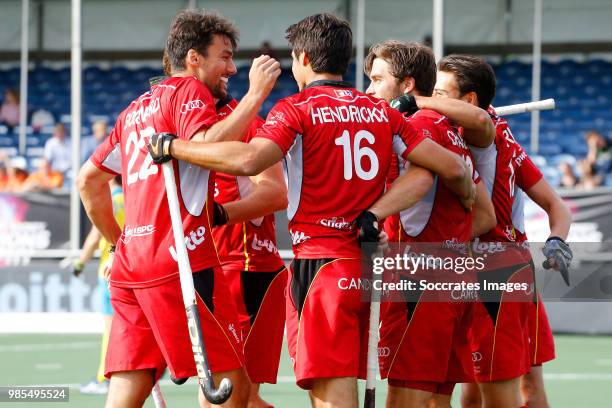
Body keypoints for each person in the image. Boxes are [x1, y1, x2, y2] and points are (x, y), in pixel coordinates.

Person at [148, 13, 476, 408]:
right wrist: (375, 212)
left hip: (321, 266)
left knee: (332, 399)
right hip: (369, 268)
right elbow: (451, 168)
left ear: (303, 58)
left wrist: (172, 148)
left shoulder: (296, 108)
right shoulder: (381, 112)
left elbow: (251, 160)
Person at [78, 9, 281, 408]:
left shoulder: (133, 110)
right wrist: (258, 94)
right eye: (223, 56)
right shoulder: (188, 92)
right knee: (231, 386)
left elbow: (88, 181)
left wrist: (119, 244)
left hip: (132, 269)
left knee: (127, 387)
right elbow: (211, 148)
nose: (232, 68)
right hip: (184, 264)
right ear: (193, 59)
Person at [363, 40, 497, 408]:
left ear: (406, 86)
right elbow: (485, 214)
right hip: (454, 280)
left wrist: (374, 217)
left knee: (406, 400)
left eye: (377, 80)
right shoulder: (449, 129)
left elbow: (431, 183)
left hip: (417, 282)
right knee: (436, 401)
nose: (368, 91)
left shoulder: (415, 128)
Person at [434, 54, 572, 408]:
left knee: (501, 391)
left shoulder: (481, 135)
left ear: (469, 102)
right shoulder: (495, 135)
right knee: (481, 390)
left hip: (494, 272)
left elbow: (557, 207)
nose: (432, 100)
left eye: (439, 93)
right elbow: (557, 206)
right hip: (509, 269)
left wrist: (556, 241)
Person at [212, 96, 288, 408]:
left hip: (243, 267)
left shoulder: (248, 125)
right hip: (208, 268)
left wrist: (219, 214)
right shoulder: (186, 123)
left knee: (229, 398)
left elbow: (276, 192)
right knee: (234, 398)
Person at [74, 176, 124, 395]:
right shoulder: (130, 197)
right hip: (130, 268)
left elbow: (95, 237)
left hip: (109, 269)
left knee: (110, 327)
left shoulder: (110, 200)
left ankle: (105, 376)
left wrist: (79, 263)